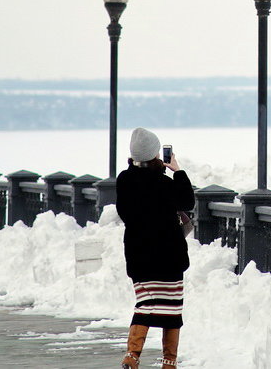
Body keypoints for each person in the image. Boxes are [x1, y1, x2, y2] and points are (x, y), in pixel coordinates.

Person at [115, 127, 196, 369]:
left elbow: (124, 213)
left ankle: (132, 355)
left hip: (139, 255)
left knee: (145, 304)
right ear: (155, 154)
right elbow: (188, 201)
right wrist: (177, 171)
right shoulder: (164, 183)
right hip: (168, 255)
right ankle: (169, 361)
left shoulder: (124, 181)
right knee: (172, 309)